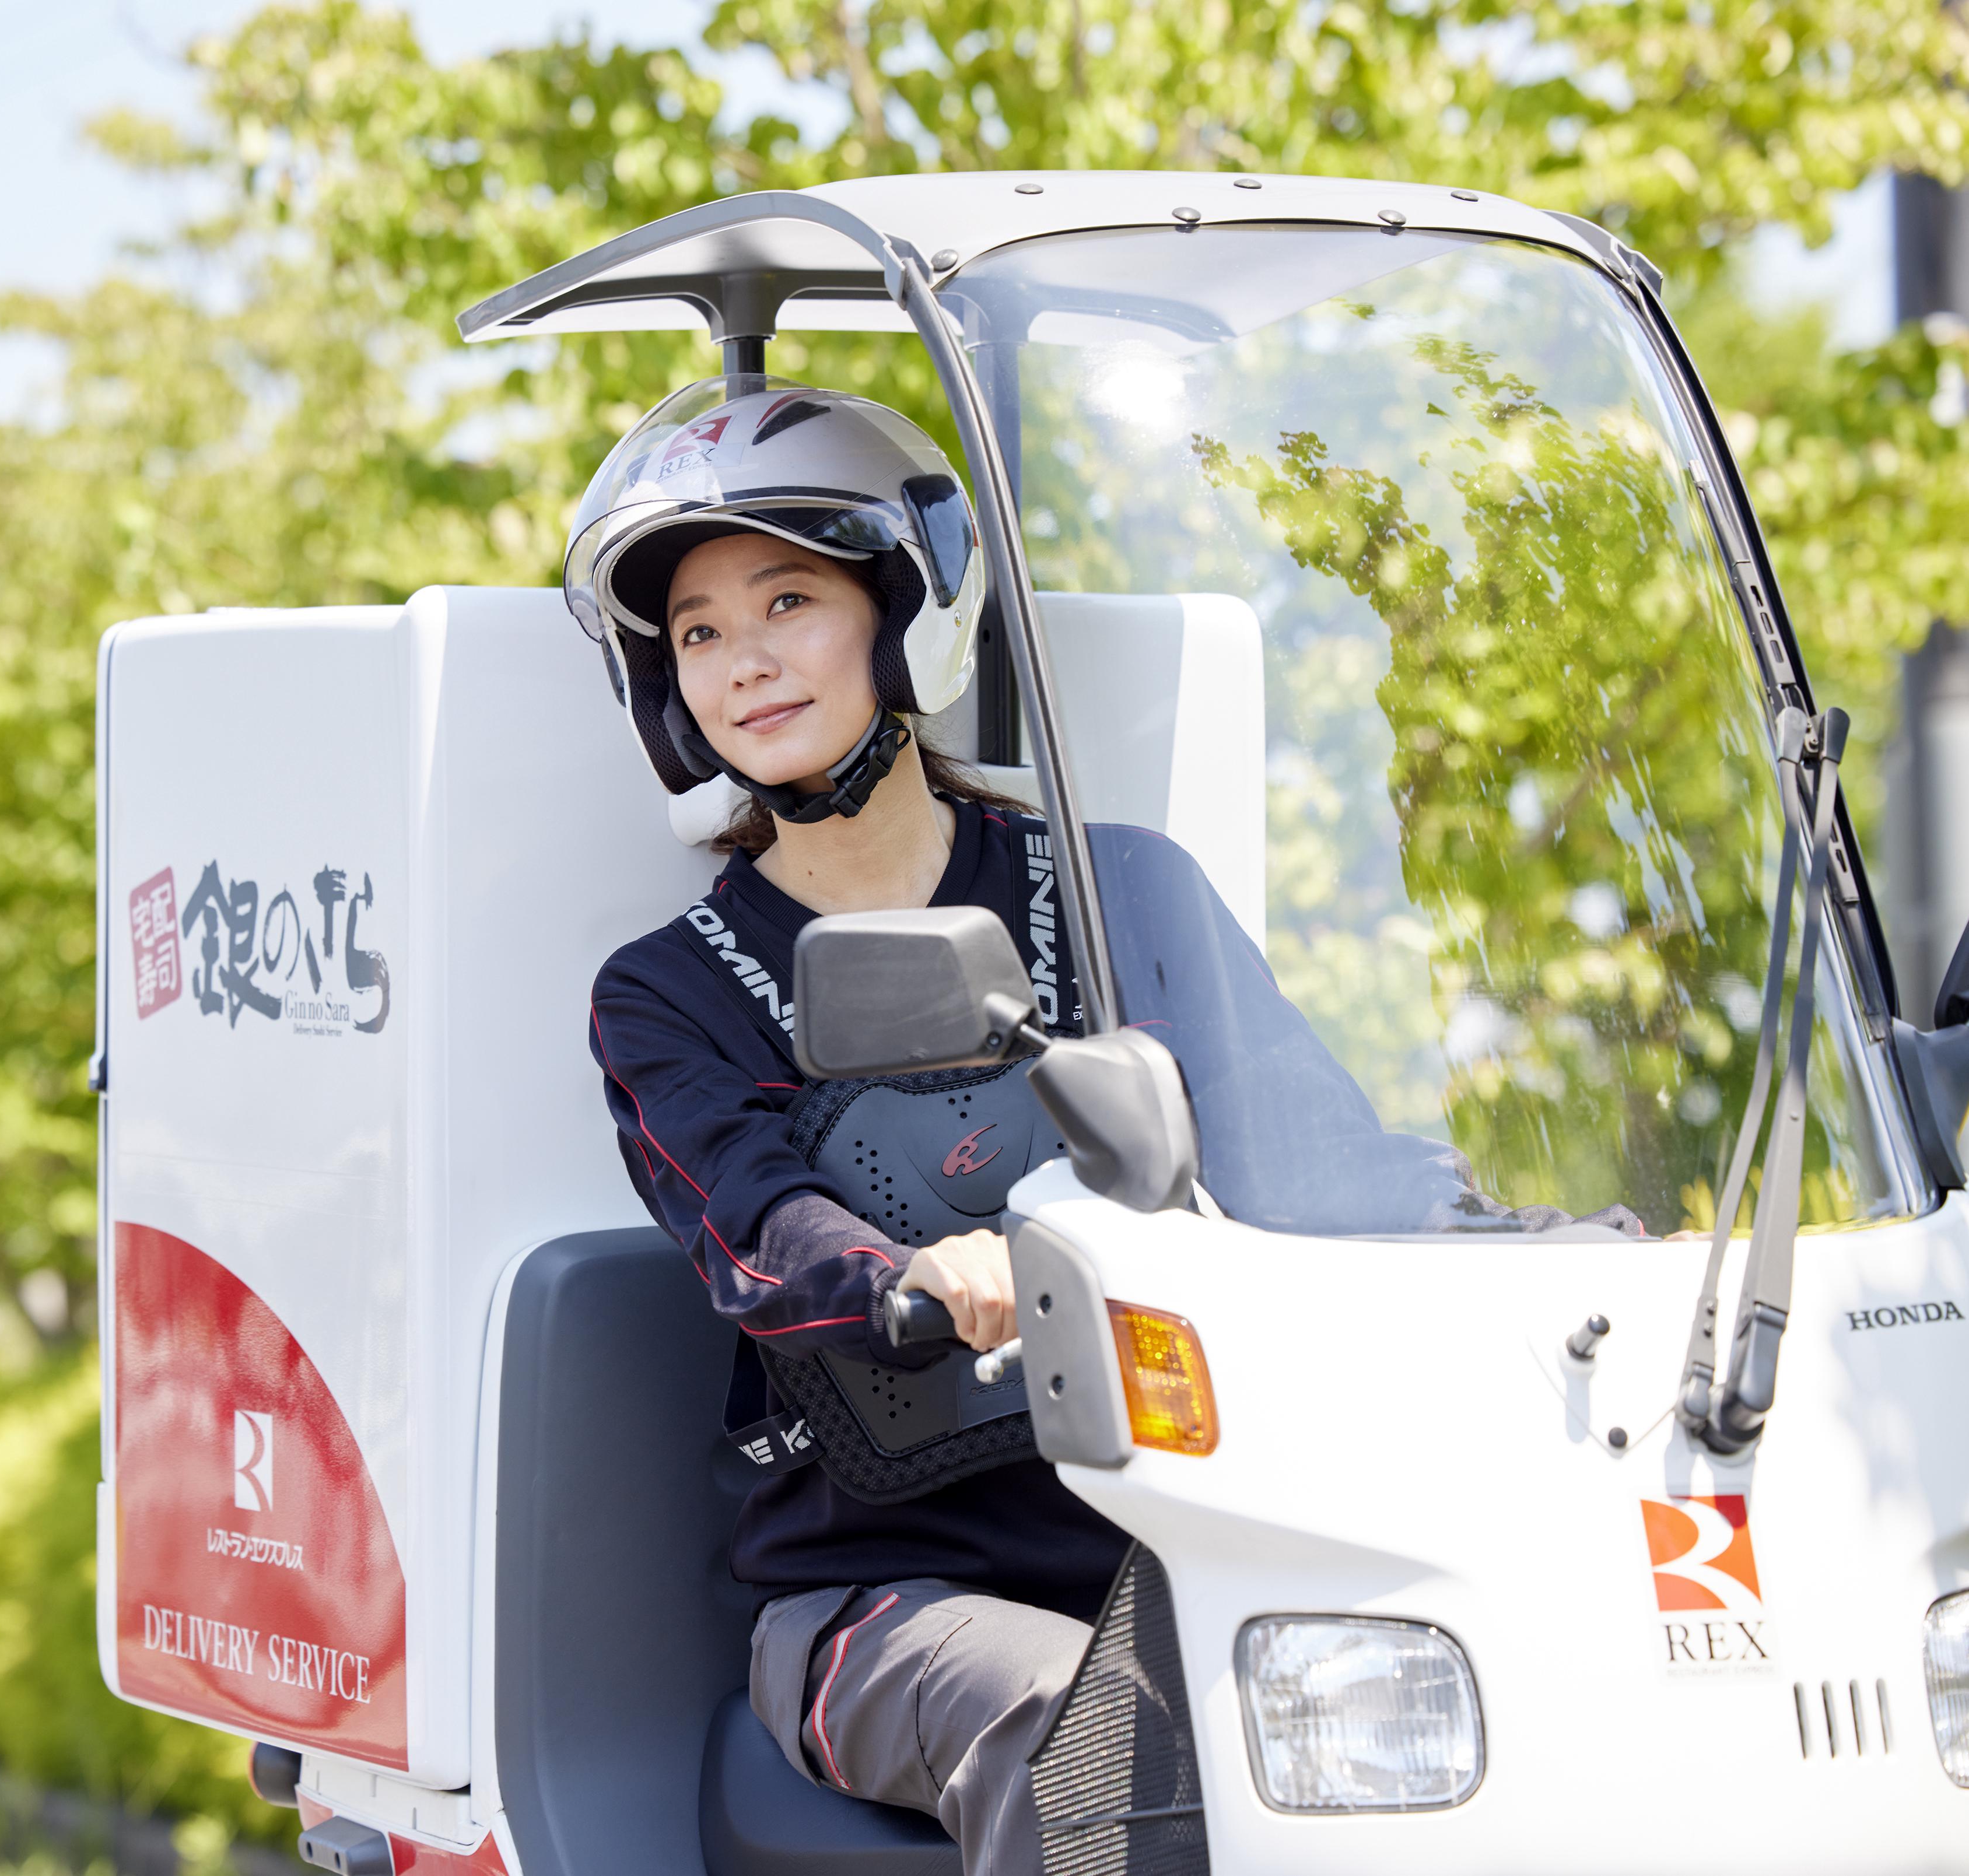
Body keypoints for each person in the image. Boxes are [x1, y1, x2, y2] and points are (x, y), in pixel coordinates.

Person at [570, 377, 1544, 1873]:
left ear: (904, 613)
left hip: (1187, 1532)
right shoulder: (668, 994)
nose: (744, 661)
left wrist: (1527, 1244)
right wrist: (909, 1274)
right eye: (700, 632)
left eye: (787, 599)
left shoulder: (1120, 893)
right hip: (881, 1599)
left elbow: (1319, 1156)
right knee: (1086, 1730)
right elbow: (756, 1224)